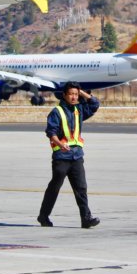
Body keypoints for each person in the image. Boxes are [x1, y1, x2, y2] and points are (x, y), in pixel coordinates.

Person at [37, 81, 101, 228]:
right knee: (55, 187)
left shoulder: (79, 110)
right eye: (71, 94)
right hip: (61, 157)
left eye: (76, 94)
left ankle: (86, 219)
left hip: (77, 156)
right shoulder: (56, 112)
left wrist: (82, 92)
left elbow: (95, 104)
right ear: (64, 95)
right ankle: (43, 216)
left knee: (81, 188)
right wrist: (60, 145)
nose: (74, 97)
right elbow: (50, 133)